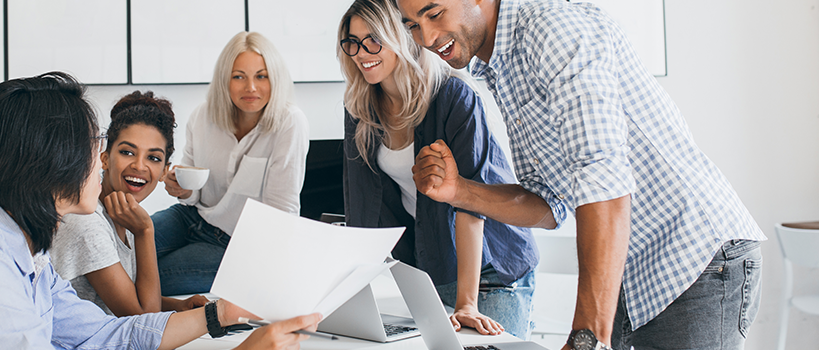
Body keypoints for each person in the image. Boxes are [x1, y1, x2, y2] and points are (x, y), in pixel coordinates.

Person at [397, 0, 766, 349]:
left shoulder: (551, 29)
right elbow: (549, 203)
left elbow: (602, 176)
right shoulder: (500, 66)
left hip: (693, 259)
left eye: (434, 13)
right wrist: (460, 191)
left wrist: (587, 336)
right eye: (413, 24)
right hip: (628, 272)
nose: (426, 38)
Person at [0, 71, 320, 349]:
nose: (101, 159)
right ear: (48, 161)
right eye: (96, 145)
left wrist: (216, 316)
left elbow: (102, 334)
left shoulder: (28, 259)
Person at [336, 0, 536, 339]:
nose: (361, 53)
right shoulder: (360, 110)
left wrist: (467, 303)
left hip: (488, 271)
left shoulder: (453, 97)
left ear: (400, 35)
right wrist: (347, 292)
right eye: (352, 42)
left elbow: (471, 204)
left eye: (373, 39)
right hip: (431, 266)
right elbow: (359, 206)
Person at [153, 31, 310, 295]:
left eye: (261, 76)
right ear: (225, 79)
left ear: (275, 78)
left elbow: (281, 213)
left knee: (149, 277)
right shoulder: (202, 116)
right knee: (122, 248)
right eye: (239, 77)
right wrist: (183, 189)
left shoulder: (289, 123)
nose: (251, 87)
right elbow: (193, 193)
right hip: (191, 217)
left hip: (236, 245)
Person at [49, 91, 208, 317]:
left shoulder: (123, 213)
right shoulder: (88, 225)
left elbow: (132, 296)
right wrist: (145, 231)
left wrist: (179, 306)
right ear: (104, 158)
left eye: (153, 158)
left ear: (164, 171)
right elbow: (144, 320)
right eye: (127, 152)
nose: (139, 166)